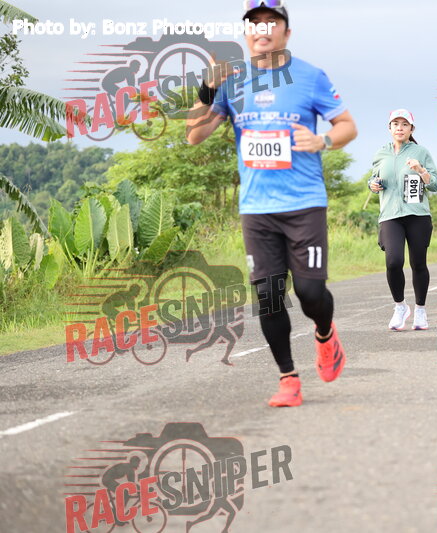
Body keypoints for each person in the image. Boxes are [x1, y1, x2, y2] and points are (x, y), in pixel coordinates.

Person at [186, 1, 358, 408]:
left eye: (271, 22)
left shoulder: (310, 76)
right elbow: (194, 135)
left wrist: (323, 140)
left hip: (304, 203)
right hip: (257, 208)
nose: (262, 29)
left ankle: (325, 334)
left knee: (310, 292)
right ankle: (288, 378)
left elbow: (347, 125)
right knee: (268, 295)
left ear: (286, 32)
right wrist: (207, 89)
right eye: (254, 23)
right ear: (247, 33)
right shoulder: (232, 81)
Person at [368, 109, 437, 331]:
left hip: (417, 215)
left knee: (418, 263)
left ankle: (420, 310)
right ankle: (400, 306)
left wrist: (421, 170)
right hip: (390, 216)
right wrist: (372, 184)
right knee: (393, 262)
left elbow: (435, 184)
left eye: (404, 124)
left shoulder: (421, 152)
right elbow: (373, 178)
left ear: (411, 129)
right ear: (389, 128)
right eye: (395, 124)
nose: (399, 128)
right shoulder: (381, 153)